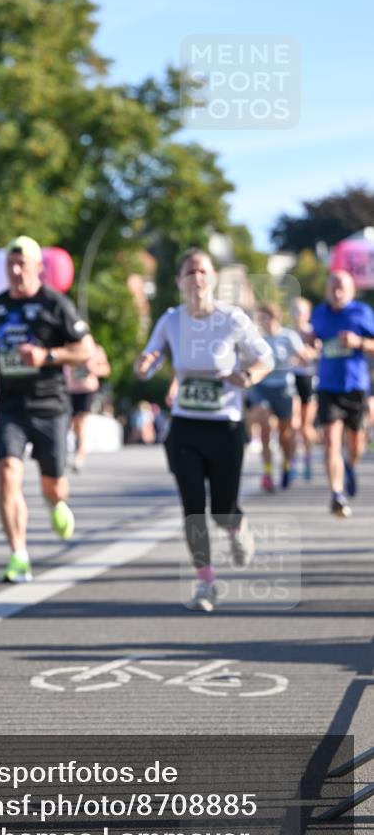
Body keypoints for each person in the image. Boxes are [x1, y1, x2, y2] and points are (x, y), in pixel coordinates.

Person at [135, 247, 273, 613]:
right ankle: (205, 582)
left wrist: (247, 376)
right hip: (186, 428)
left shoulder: (232, 319)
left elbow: (265, 358)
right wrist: (147, 363)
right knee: (193, 505)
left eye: (203, 271)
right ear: (180, 282)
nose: (197, 278)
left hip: (225, 428)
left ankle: (236, 528)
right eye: (189, 272)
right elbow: (152, 354)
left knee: (222, 509)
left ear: (212, 279)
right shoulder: (171, 320)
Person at [0, 236, 93, 583]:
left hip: (50, 405)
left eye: (23, 264)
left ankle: (56, 503)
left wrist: (48, 356)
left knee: (54, 485)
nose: (17, 271)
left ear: (39, 267)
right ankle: (19, 554)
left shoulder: (56, 305)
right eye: (11, 265)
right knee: (8, 473)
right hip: (10, 406)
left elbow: (86, 350)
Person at [306, 270, 374, 518]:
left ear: (351, 290)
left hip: (355, 386)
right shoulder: (320, 314)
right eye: (332, 288)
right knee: (331, 442)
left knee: (355, 444)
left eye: (341, 288)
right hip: (328, 387)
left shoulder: (362, 313)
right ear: (326, 290)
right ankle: (336, 493)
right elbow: (313, 340)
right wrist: (310, 343)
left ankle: (351, 466)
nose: (336, 292)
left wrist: (359, 343)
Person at [247, 302, 307, 491]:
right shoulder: (258, 339)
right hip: (262, 387)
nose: (262, 323)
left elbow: (304, 356)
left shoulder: (288, 336)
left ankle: (287, 465)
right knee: (264, 428)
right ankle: (267, 473)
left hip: (284, 389)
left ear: (274, 318)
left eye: (264, 318)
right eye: (259, 319)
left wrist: (301, 358)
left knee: (285, 435)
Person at [66, 341, 111, 471]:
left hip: (87, 389)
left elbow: (106, 369)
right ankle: (71, 449)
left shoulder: (96, 349)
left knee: (81, 421)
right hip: (69, 389)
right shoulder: (67, 347)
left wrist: (94, 369)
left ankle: (80, 455)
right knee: (70, 422)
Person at [290, 296, 318, 480]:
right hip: (291, 378)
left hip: (308, 379)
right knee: (294, 423)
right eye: (293, 311)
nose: (296, 315)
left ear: (307, 314)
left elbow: (318, 353)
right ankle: (292, 461)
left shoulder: (313, 332)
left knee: (306, 426)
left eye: (300, 311)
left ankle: (308, 457)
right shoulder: (287, 333)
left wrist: (307, 353)